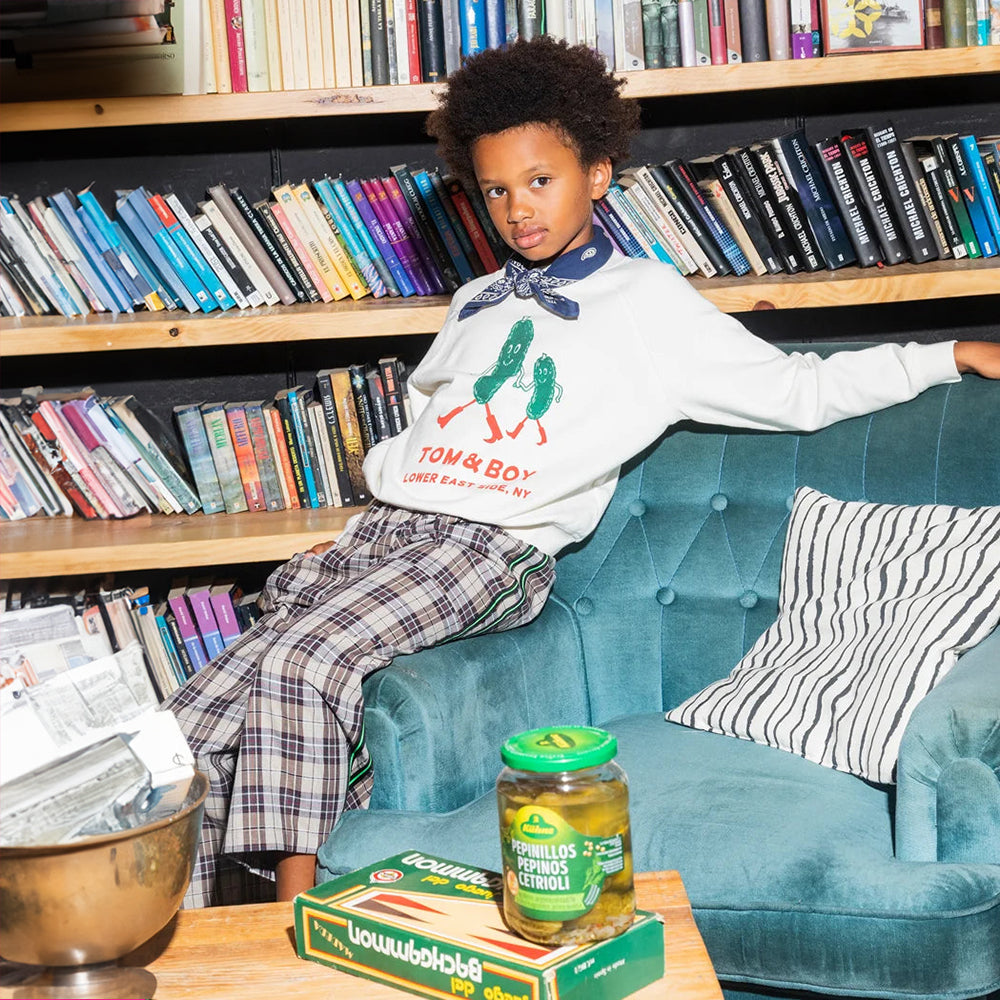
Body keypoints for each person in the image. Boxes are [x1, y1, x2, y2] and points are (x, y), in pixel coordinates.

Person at [166, 35, 1000, 908]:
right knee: (202, 710)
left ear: (597, 172)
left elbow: (798, 389)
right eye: (496, 190)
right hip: (387, 530)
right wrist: (396, 469)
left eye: (540, 180)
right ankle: (179, 932)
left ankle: (288, 920)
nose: (519, 209)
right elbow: (429, 400)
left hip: (490, 549)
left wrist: (943, 355)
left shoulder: (645, 300)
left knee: (306, 660)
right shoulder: (474, 301)